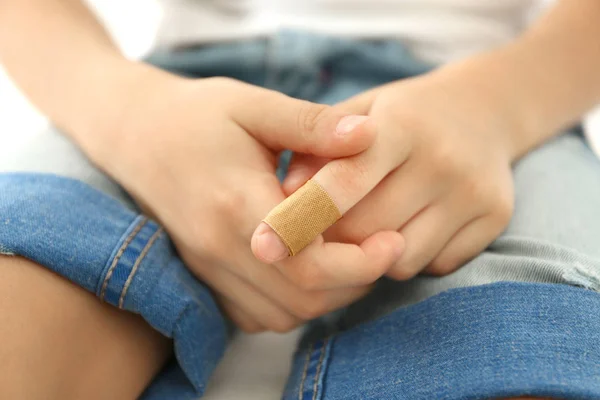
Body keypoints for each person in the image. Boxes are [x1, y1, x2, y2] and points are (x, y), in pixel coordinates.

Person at [0, 0, 599, 398]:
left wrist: (494, 109)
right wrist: (124, 112)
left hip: (484, 108)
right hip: (165, 100)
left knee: (535, 364)